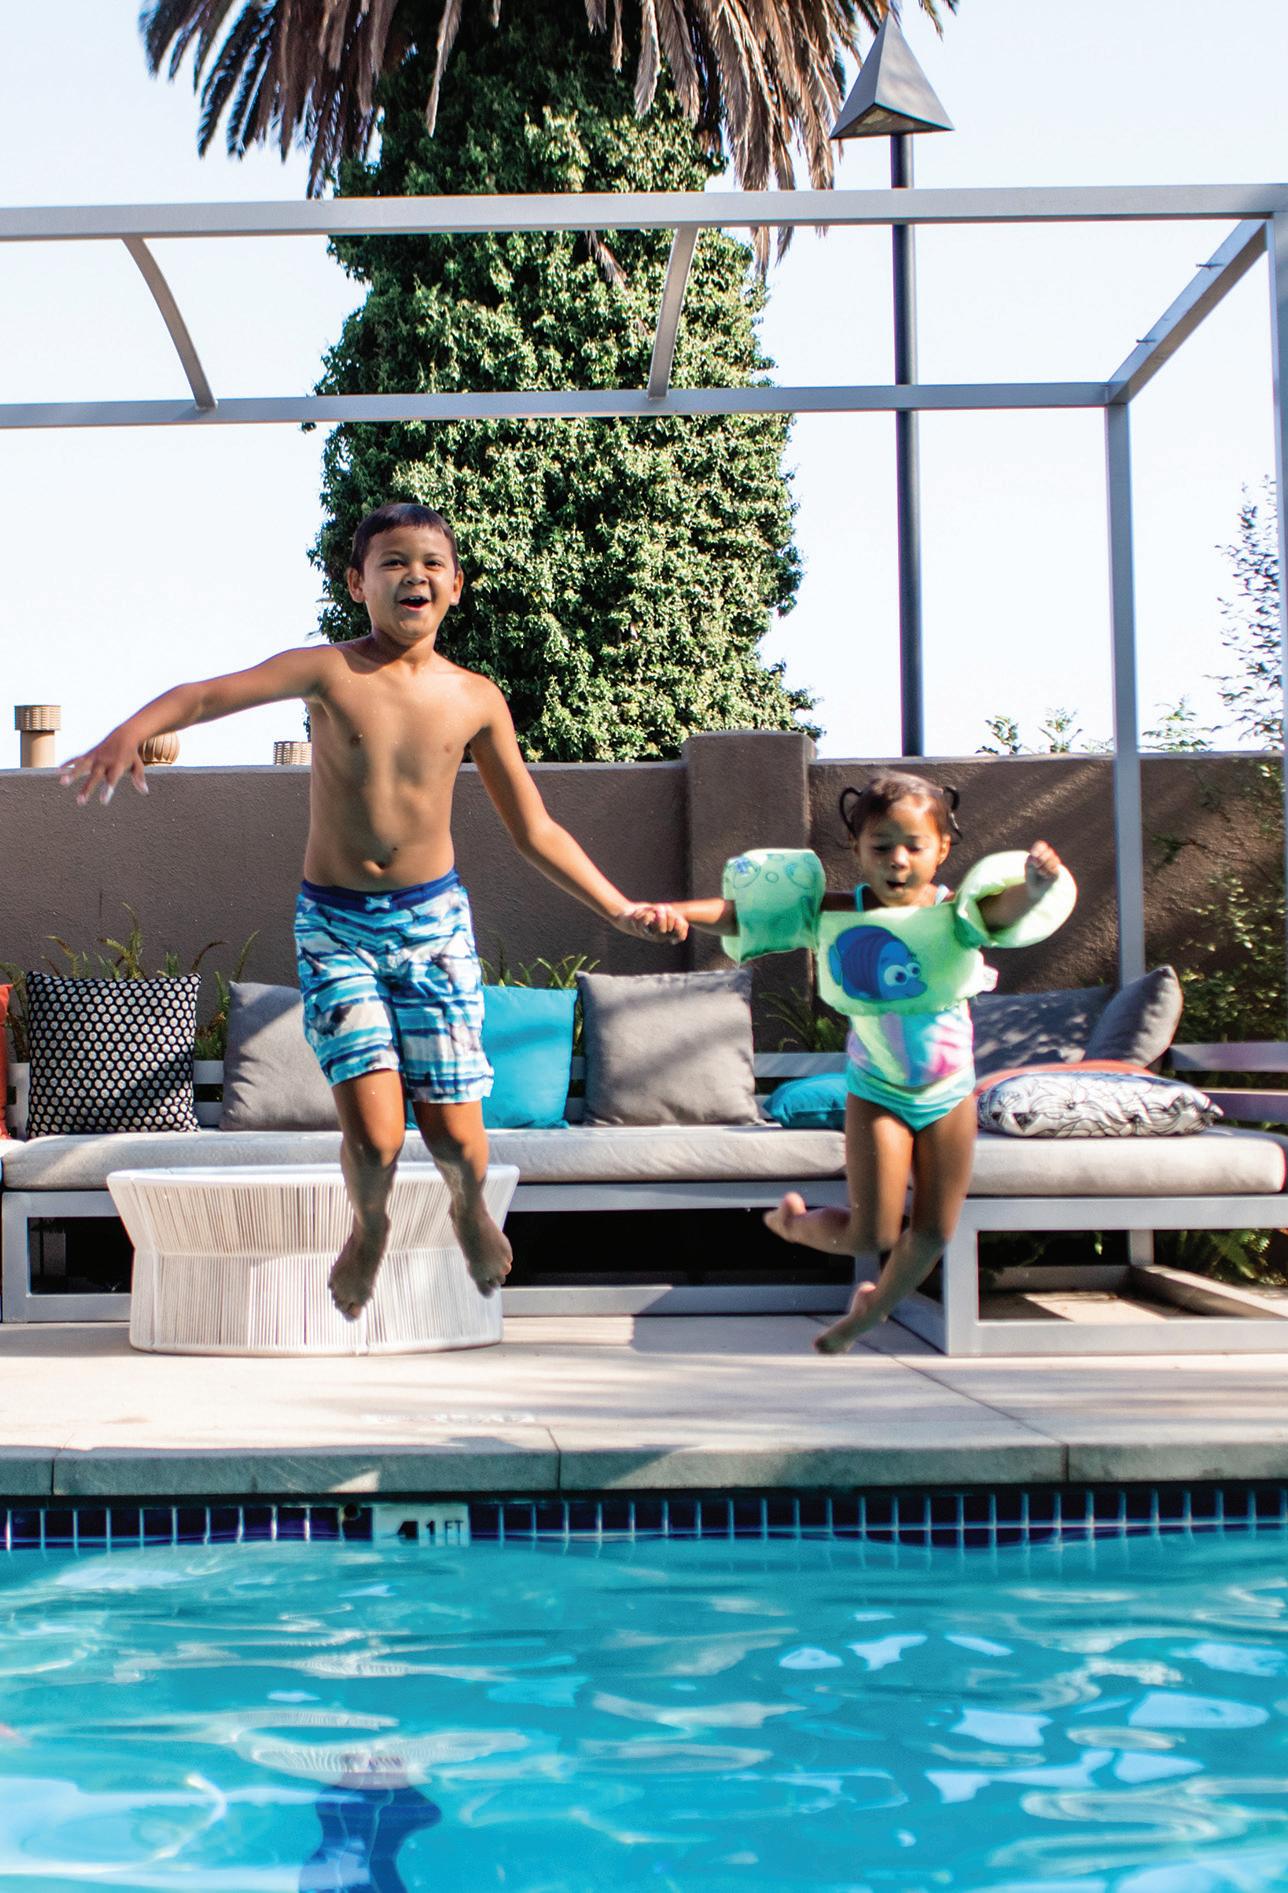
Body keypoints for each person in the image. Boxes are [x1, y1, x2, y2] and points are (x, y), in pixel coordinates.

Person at [60, 502, 688, 1317]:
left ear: (456, 585)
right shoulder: (330, 673)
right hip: (336, 926)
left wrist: (617, 904)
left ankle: (468, 1205)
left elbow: (534, 828)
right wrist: (129, 730)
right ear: (358, 583)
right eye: (393, 562)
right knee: (378, 1134)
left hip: (433, 926)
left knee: (456, 1136)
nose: (413, 576)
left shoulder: (475, 698)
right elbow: (211, 694)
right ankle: (371, 1222)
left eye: (431, 563)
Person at [657, 772, 1074, 1353]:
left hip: (950, 1092)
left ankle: (869, 1314)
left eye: (914, 847)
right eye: (881, 846)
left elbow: (1005, 911)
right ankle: (794, 1225)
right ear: (856, 848)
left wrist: (1033, 885)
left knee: (933, 1231)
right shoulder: (832, 914)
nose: (897, 860)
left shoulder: (958, 915)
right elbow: (741, 915)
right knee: (869, 1233)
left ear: (942, 849)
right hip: (878, 1091)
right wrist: (674, 911)